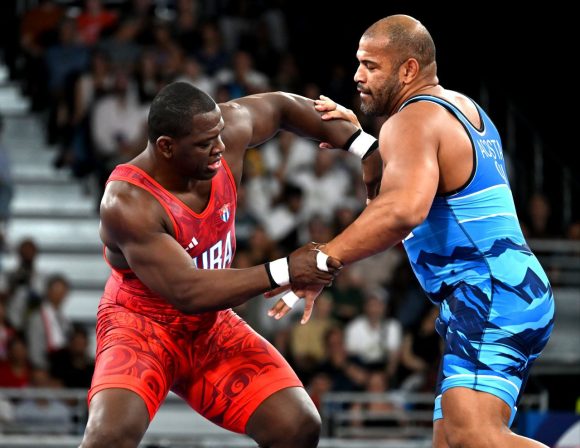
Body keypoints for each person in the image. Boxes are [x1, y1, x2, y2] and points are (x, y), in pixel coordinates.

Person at [273, 14, 555, 448]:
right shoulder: (458, 109)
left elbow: (401, 211)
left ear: (408, 69)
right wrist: (365, 144)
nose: (357, 76)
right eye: (358, 63)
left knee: (472, 437)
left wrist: (321, 259)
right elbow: (392, 199)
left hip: (489, 293)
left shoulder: (413, 120)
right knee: (449, 442)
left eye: (370, 65)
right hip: (504, 292)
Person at [80, 81, 381, 448]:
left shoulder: (225, 130)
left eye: (219, 136)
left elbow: (284, 106)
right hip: (143, 327)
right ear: (166, 147)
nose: (220, 149)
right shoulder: (127, 201)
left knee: (297, 426)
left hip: (209, 326)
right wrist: (285, 269)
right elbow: (188, 291)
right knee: (108, 439)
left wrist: (366, 147)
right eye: (206, 144)